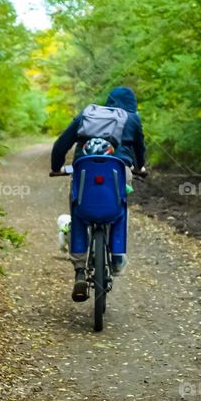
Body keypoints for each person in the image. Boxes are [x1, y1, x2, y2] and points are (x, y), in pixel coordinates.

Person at [50, 86, 147, 302]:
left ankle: (79, 272)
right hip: (119, 172)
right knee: (119, 209)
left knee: (78, 212)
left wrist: (57, 167)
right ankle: (117, 256)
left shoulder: (87, 114)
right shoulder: (132, 119)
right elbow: (140, 149)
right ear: (132, 104)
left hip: (84, 173)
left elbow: (60, 145)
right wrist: (140, 167)